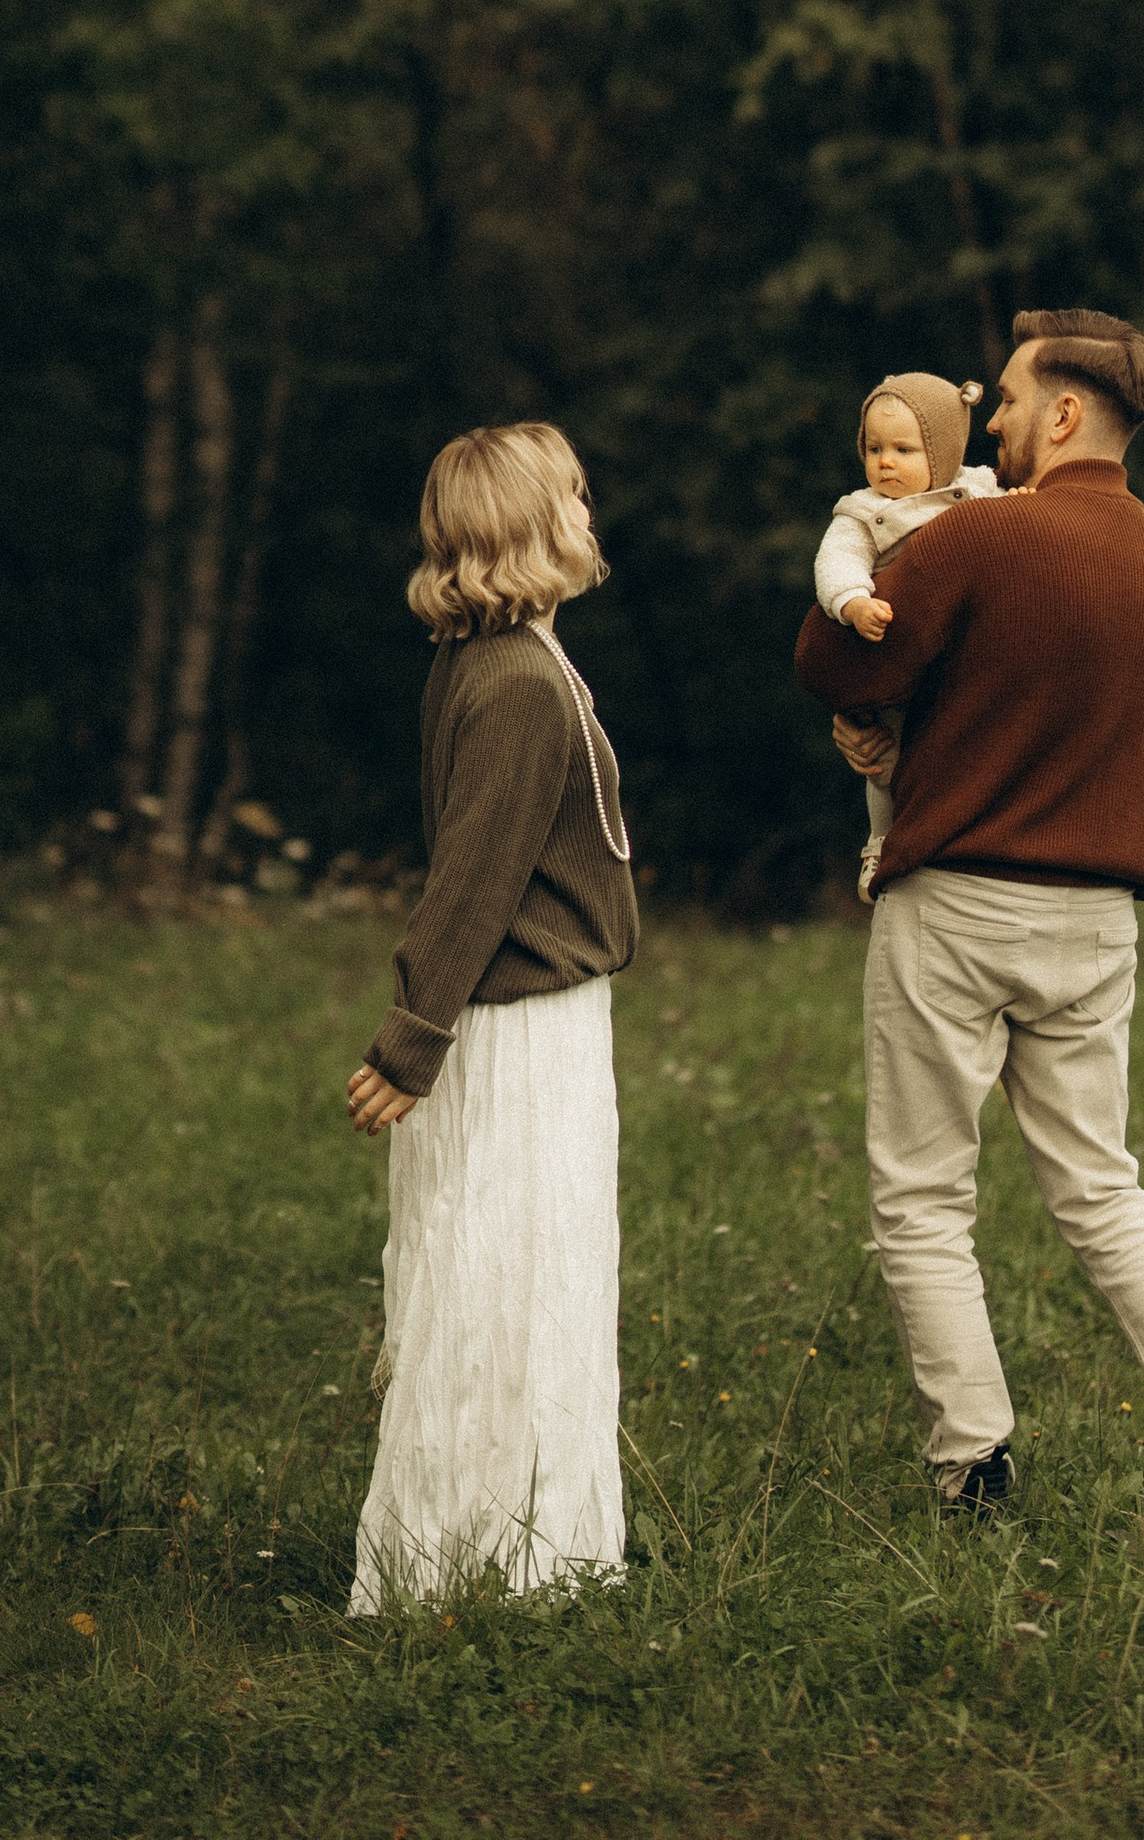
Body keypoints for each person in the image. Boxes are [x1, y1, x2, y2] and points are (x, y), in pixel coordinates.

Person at [794, 307, 1144, 1531]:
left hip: (958, 905)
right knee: (1100, 1187)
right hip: (1097, 923)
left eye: (1013, 402)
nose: (994, 428)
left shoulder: (981, 535)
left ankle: (973, 1469)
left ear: (1067, 411)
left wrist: (878, 705)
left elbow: (835, 660)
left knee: (924, 1199)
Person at [344, 421, 638, 1609]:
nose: (586, 509)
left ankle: (516, 1546)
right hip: (521, 1028)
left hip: (529, 1018)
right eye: (571, 492)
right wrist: (411, 1039)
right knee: (511, 1282)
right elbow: (473, 878)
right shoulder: (514, 680)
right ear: (525, 525)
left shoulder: (505, 659)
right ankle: (501, 1556)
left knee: (518, 1275)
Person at [809, 370, 997, 898]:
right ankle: (881, 843)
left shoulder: (978, 489)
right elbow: (836, 560)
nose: (885, 462)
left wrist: (1026, 499)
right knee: (882, 757)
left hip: (960, 657)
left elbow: (1015, 525)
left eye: (903, 450)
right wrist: (853, 602)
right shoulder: (864, 510)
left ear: (944, 452)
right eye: (874, 448)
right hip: (893, 655)